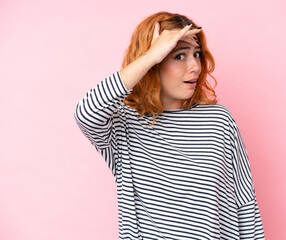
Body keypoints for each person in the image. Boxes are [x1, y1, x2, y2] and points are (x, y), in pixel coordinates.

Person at [74, 11, 265, 240]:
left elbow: (245, 204)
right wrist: (150, 56)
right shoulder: (123, 124)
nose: (195, 66)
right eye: (178, 56)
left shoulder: (218, 121)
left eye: (197, 54)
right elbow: (85, 112)